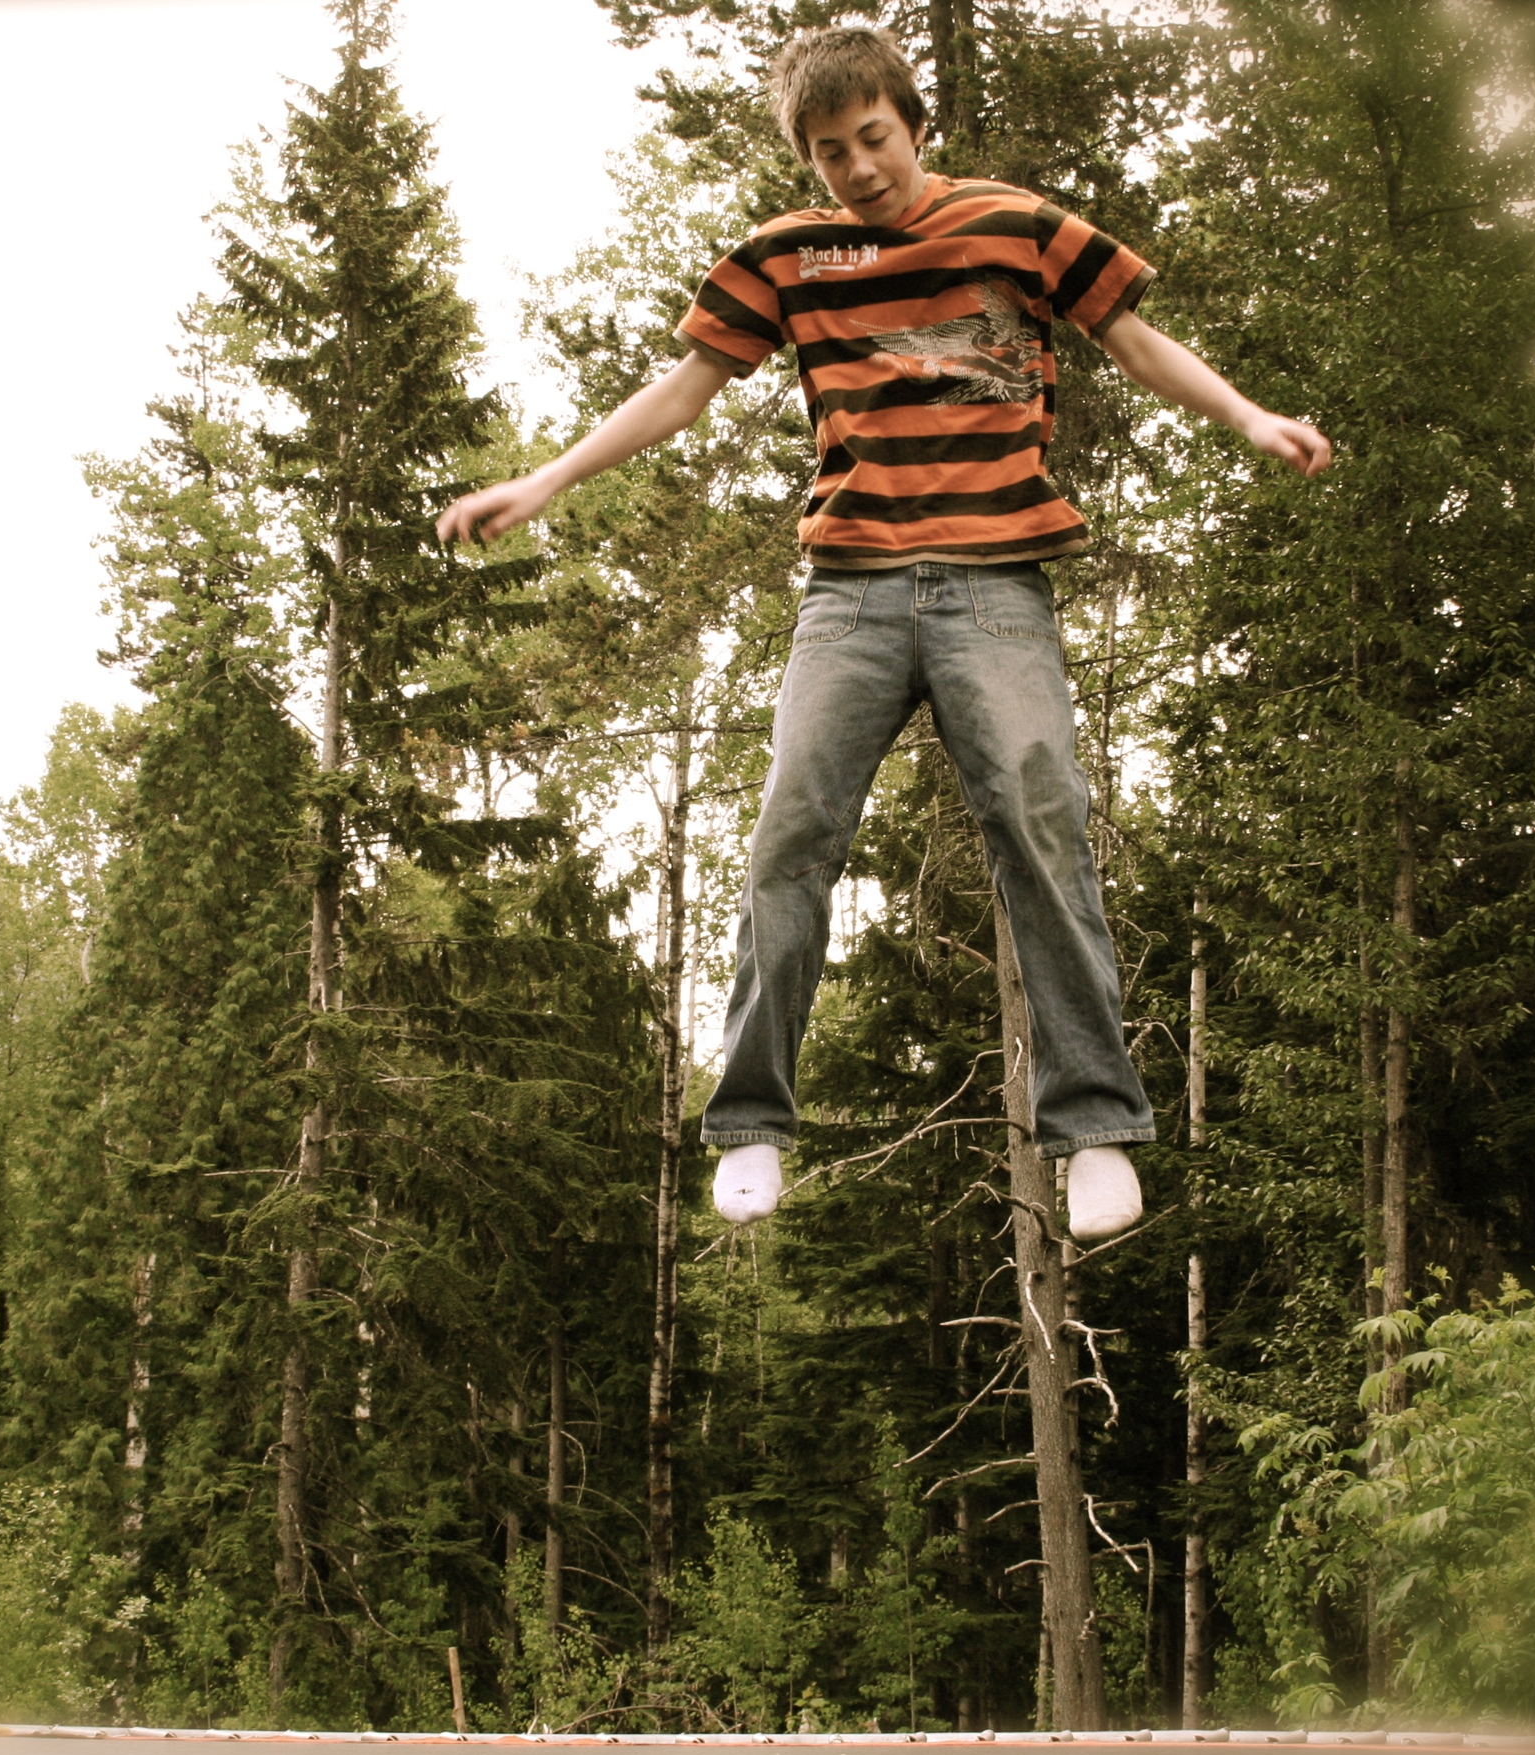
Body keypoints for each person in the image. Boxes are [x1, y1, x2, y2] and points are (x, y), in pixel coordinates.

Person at [437, 27, 1329, 1242]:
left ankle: (1094, 1127)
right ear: (806, 158)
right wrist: (543, 482)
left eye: (872, 139)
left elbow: (1134, 341)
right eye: (828, 152)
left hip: (994, 586)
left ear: (912, 123)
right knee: (791, 831)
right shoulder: (787, 257)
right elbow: (682, 391)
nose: (857, 168)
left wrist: (1248, 416)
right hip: (847, 591)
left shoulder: (1017, 225)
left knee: (1042, 823)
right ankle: (751, 1121)